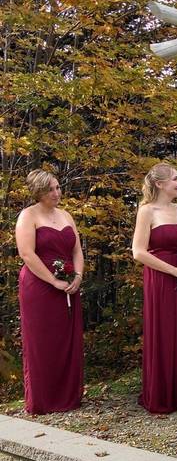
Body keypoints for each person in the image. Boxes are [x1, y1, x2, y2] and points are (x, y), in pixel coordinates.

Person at [132, 163, 177, 414]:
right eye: (175, 179)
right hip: (162, 277)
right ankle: (164, 393)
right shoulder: (146, 211)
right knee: (165, 331)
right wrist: (174, 271)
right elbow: (138, 252)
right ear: (160, 184)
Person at [15, 170, 84, 414]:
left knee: (67, 338)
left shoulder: (65, 214)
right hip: (39, 286)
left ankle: (69, 397)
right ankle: (43, 401)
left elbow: (76, 250)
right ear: (39, 193)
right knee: (42, 341)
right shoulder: (28, 215)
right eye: (50, 190)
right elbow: (27, 254)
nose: (57, 193)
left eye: (57, 187)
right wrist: (53, 281)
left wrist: (77, 275)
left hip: (69, 283)